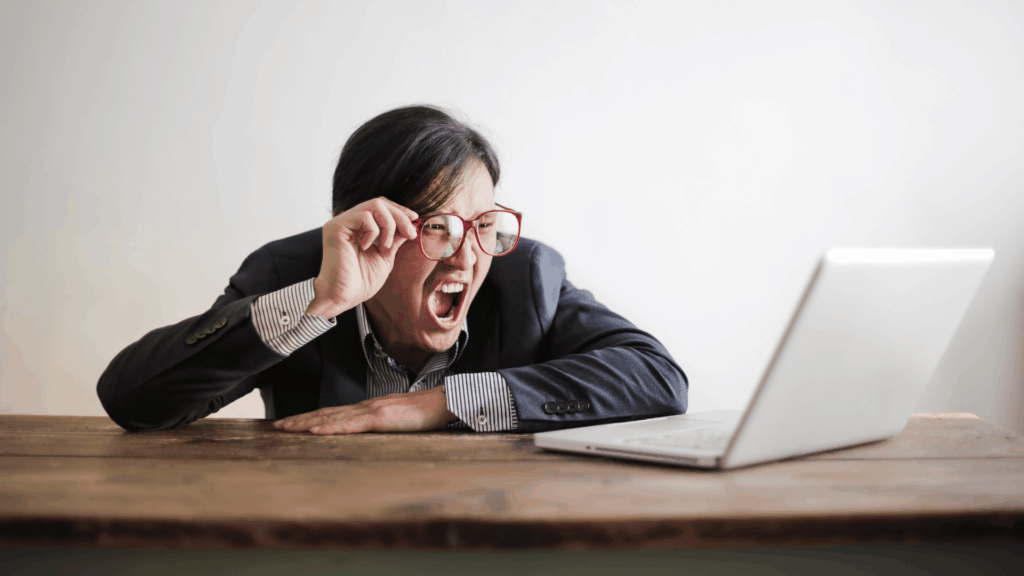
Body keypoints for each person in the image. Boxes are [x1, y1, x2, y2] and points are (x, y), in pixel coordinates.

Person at [97, 105, 687, 434]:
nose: (466, 255)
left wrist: (432, 405)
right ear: (363, 227)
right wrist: (319, 304)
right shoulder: (291, 273)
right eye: (437, 226)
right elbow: (132, 401)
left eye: (483, 224)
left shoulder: (525, 275)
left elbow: (657, 377)